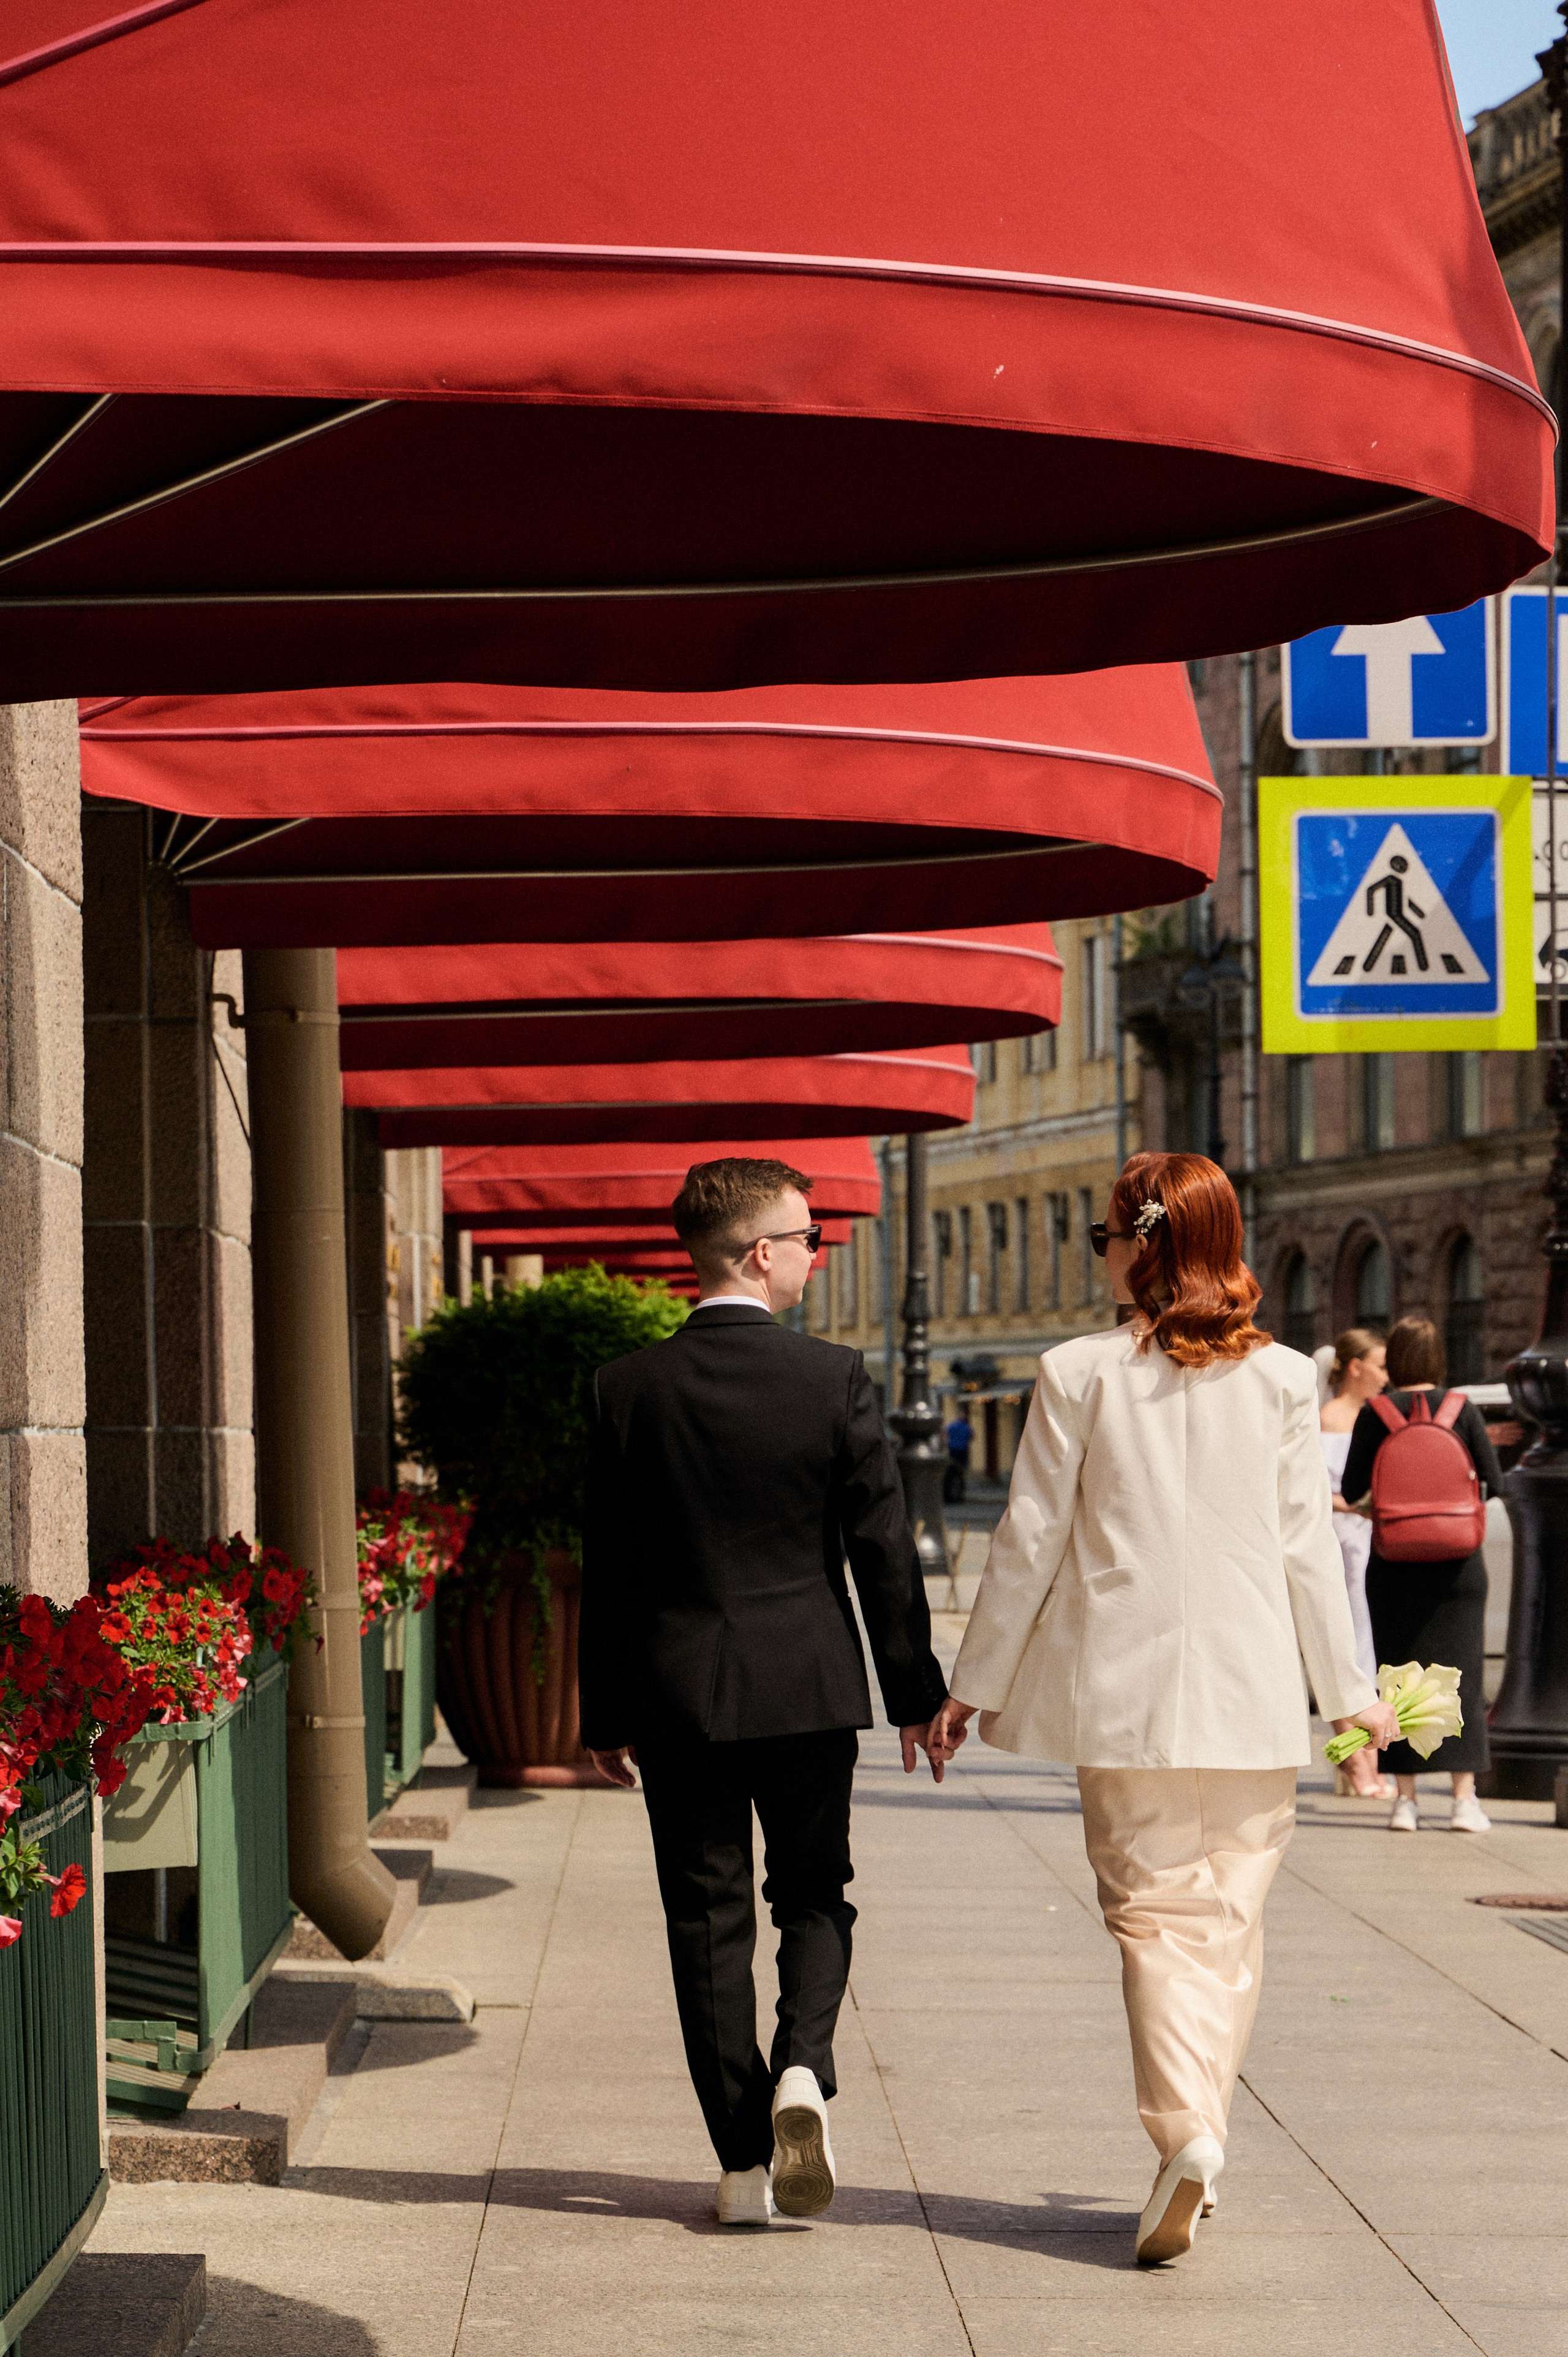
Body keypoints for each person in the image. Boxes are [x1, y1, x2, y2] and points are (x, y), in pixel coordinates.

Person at [926, 1152, 1393, 2266]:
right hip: (1253, 1691)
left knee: (1150, 1917)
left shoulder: (1081, 1371)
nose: (1105, 1256)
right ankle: (1200, 2137)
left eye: (1106, 1236)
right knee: (1225, 1921)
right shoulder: (1285, 1380)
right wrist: (1353, 1696)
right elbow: (1305, 1555)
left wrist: (970, 1684)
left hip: (1123, 1692)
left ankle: (1188, 2132)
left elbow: (1030, 1537)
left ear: (1146, 1244)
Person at [579, 1156, 952, 2230]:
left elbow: (609, 1568)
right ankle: (804, 2065)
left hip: (677, 1691)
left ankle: (743, 2168)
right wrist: (918, 1694)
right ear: (758, 1253)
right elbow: (885, 1553)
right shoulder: (834, 1381)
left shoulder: (623, 1388)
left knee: (705, 1921)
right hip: (808, 1686)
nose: (814, 1252)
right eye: (805, 1236)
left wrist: (602, 1714)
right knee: (815, 1890)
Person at [1340, 1314, 1502, 1836]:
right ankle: (1462, 1800)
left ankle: (1405, 1801)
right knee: (1463, 1681)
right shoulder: (1463, 1409)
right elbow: (1492, 1484)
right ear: (1439, 1360)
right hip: (1458, 1568)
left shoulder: (1376, 1413)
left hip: (1394, 1565)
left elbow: (1354, 1485)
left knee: (1401, 1680)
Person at [1319, 1326, 1393, 1800]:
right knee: (1343, 1648)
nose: (1386, 1376)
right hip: (1340, 1540)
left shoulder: (1375, 1417)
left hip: (1371, 1540)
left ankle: (1367, 1759)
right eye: (1380, 1365)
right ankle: (1356, 1763)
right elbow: (1312, 1490)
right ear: (1355, 1367)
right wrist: (1355, 1505)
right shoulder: (1327, 1417)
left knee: (1369, 1650)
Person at [943, 1408, 974, 1503]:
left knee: (951, 1472)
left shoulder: (953, 1425)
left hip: (952, 1451)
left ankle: (950, 1493)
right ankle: (960, 1495)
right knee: (961, 1473)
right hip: (962, 1451)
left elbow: (945, 1434)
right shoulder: (966, 1427)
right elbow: (972, 1437)